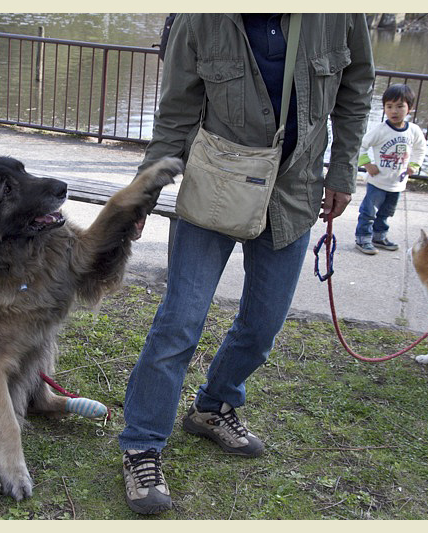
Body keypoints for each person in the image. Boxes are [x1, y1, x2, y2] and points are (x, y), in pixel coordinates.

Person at [120, 13, 375, 515]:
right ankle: (141, 443)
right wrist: (142, 196)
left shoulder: (340, 14)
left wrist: (342, 168)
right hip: (214, 190)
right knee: (180, 323)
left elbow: (355, 88)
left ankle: (214, 406)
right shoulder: (199, 20)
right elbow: (174, 114)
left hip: (294, 193)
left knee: (262, 327)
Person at [355, 84, 427, 255]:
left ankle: (379, 236)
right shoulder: (380, 130)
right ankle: (362, 238)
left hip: (397, 183)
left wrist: (414, 165)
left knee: (386, 212)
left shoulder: (414, 131)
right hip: (377, 181)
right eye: (389, 106)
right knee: (368, 211)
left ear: (410, 108)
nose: (394, 111)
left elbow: (420, 148)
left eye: (400, 106)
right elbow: (361, 146)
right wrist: (367, 164)